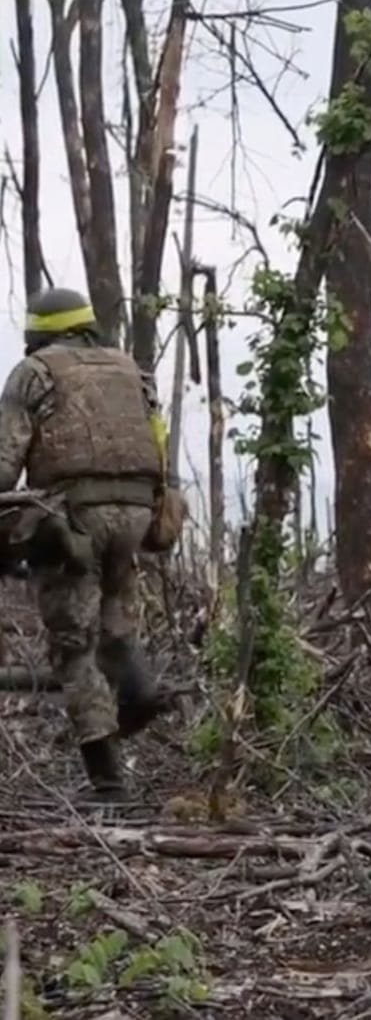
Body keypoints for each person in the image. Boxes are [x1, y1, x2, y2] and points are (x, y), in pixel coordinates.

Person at [0, 288, 175, 802]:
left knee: (73, 646)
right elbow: (158, 444)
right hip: (139, 511)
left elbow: (5, 462)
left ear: (39, 332)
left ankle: (107, 784)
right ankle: (139, 693)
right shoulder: (131, 370)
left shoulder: (34, 373)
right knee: (116, 625)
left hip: (71, 518)